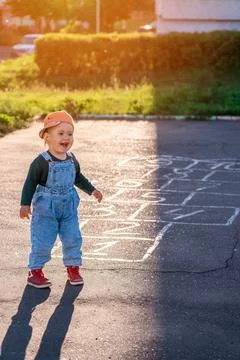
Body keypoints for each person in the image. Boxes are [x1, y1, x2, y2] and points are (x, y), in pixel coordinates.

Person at [19, 110, 103, 288]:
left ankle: (73, 267)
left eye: (70, 134)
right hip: (46, 208)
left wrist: (92, 190)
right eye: (61, 133)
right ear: (47, 137)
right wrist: (25, 204)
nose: (66, 137)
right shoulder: (41, 162)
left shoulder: (72, 159)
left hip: (68, 207)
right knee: (42, 239)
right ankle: (35, 271)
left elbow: (78, 178)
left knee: (73, 237)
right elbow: (30, 183)